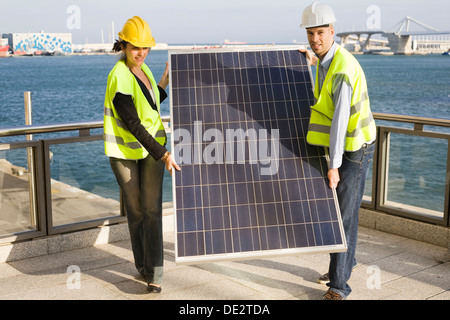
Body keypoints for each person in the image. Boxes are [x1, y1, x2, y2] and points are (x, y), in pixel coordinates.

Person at [299, 2, 377, 300]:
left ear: (332, 32)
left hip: (355, 148)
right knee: (339, 213)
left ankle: (339, 286)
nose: (315, 39)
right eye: (310, 33)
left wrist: (333, 166)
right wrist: (310, 60)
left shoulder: (342, 70)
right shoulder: (324, 61)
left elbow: (339, 124)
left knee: (344, 216)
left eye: (320, 33)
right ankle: (343, 266)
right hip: (344, 146)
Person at [103, 16, 180, 293]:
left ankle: (155, 273)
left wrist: (165, 81)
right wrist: (164, 154)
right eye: (136, 47)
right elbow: (133, 122)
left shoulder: (144, 69)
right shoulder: (118, 76)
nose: (141, 52)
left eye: (145, 47)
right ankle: (143, 265)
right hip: (126, 151)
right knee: (135, 211)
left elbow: (150, 102)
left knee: (152, 210)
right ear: (123, 45)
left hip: (152, 149)